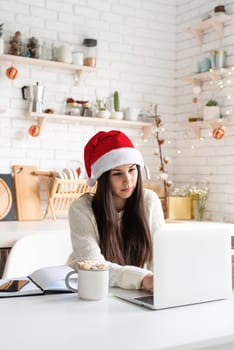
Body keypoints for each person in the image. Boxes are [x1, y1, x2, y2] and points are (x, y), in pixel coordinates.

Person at [67, 130, 164, 290]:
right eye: (117, 173)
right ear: (104, 178)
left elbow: (160, 258)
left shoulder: (149, 201)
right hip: (84, 289)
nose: (128, 180)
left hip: (132, 292)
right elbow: (93, 266)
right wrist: (143, 279)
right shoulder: (81, 210)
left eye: (132, 170)